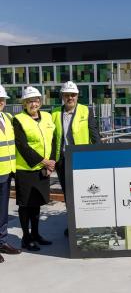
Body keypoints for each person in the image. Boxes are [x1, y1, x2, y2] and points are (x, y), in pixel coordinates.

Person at [52, 81, 101, 236]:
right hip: (62, 160)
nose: (70, 97)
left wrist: (100, 154)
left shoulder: (85, 111)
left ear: (77, 96)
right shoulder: (54, 113)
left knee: (83, 193)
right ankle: (73, 224)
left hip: (81, 160)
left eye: (73, 95)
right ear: (62, 96)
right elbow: (51, 138)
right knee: (68, 194)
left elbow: (94, 134)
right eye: (67, 95)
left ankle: (85, 224)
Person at [13, 87, 56, 251]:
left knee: (37, 203)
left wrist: (51, 161)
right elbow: (22, 146)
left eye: (36, 100)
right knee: (25, 205)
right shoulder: (18, 119)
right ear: (24, 103)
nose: (33, 103)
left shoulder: (47, 116)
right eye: (30, 101)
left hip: (43, 168)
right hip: (26, 169)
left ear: (40, 101)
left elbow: (52, 139)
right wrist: (44, 161)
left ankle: (36, 234)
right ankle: (26, 237)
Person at [0, 85, 22, 262]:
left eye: (2, 99)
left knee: (2, 211)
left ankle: (2, 241)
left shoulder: (7, 117)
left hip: (7, 172)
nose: (0, 102)